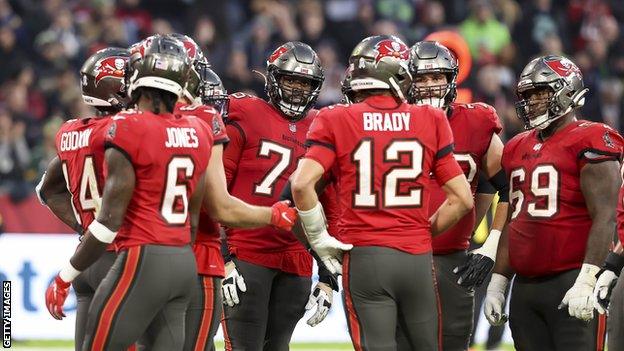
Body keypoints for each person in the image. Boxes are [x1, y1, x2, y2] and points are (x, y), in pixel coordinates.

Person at [291, 35, 474, 351]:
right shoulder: (430, 118)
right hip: (416, 258)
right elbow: (462, 199)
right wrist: (420, 233)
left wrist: (320, 240)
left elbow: (300, 185)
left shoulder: (334, 118)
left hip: (365, 257)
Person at [484, 55, 623, 351]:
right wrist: (499, 281)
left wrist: (588, 278)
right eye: (528, 95)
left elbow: (605, 217)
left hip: (571, 280)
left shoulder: (592, 137)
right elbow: (515, 220)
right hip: (525, 288)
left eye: (541, 93)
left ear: (566, 91)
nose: (532, 102)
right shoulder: (516, 146)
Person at [220, 40, 326, 351]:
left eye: (305, 83)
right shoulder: (245, 111)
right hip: (246, 251)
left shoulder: (322, 123)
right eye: (291, 79)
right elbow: (214, 190)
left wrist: (328, 276)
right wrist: (222, 256)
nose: (297, 89)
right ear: (273, 78)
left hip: (296, 258)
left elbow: (328, 204)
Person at [406, 40, 510, 350]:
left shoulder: (476, 121)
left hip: (453, 255)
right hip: (399, 254)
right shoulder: (391, 122)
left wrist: (490, 245)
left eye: (436, 77)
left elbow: (508, 186)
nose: (429, 86)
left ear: (452, 79)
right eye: (421, 78)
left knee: (453, 343)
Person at [37, 47, 130, 351]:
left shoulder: (69, 132)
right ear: (114, 87)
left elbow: (46, 190)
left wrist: (84, 229)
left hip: (86, 260)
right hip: (120, 254)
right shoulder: (126, 130)